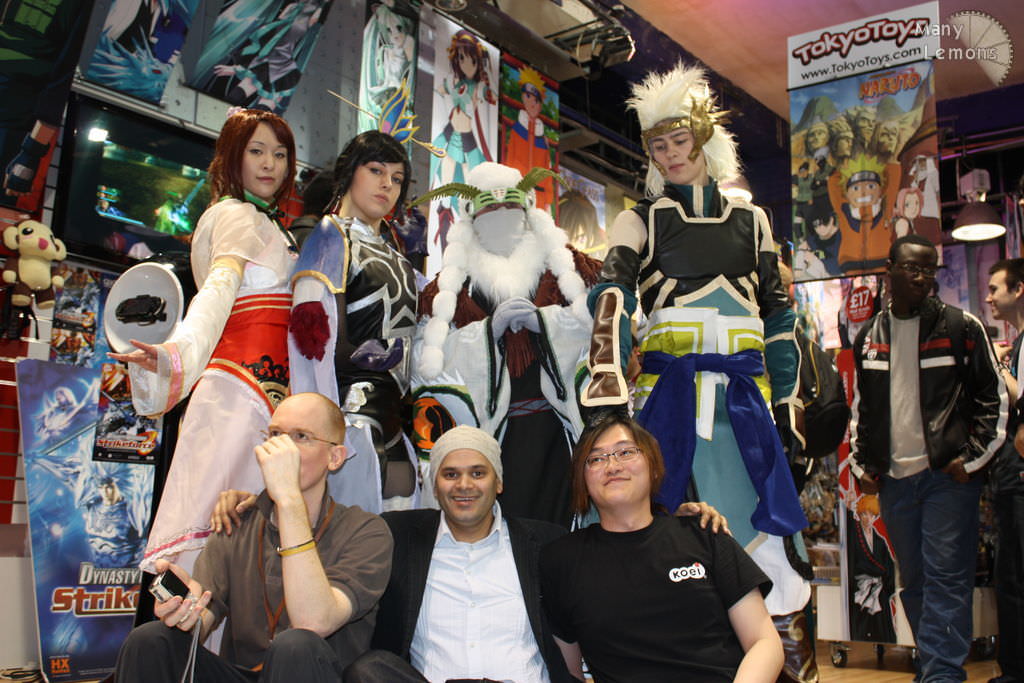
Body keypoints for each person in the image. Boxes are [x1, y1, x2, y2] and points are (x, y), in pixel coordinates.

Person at [579, 63, 814, 679]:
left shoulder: (753, 221)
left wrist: (788, 402)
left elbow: (779, 314)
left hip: (745, 405)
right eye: (658, 145)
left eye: (679, 140)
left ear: (703, 138)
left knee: (770, 542)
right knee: (662, 536)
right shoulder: (639, 219)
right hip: (667, 404)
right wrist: (606, 378)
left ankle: (778, 665)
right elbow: (611, 296)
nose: (670, 154)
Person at [111, 109, 299, 572]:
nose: (269, 164)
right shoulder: (238, 215)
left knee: (245, 536)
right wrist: (177, 352)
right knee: (219, 534)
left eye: (279, 154)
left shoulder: (268, 224)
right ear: (233, 156)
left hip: (267, 393)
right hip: (240, 391)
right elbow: (218, 290)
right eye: (256, 151)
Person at [114, 392, 393, 681]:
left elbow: (314, 622)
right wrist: (185, 612)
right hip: (243, 675)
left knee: (295, 645)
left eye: (300, 436)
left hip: (313, 673)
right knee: (150, 639)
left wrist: (288, 500)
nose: (281, 449)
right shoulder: (239, 520)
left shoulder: (365, 531)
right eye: (275, 434)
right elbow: (202, 621)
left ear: (334, 457)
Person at [850, 234, 1008, 682]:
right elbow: (863, 410)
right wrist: (863, 466)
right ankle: (934, 665)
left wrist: (970, 460)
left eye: (929, 269)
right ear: (889, 270)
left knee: (946, 578)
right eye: (912, 268)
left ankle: (942, 674)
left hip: (946, 478)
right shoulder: (869, 335)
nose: (921, 277)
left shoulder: (961, 327)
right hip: (895, 479)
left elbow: (993, 398)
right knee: (914, 582)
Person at [411, 162, 600, 526]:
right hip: (490, 436)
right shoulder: (447, 293)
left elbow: (603, 337)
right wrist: (486, 334)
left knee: (563, 525)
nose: (501, 215)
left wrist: (547, 323)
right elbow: (427, 371)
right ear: (471, 216)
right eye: (490, 208)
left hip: (558, 431)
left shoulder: (571, 272)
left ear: (527, 208)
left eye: (510, 205)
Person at [540, 415, 782, 681]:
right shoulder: (562, 561)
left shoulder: (705, 534)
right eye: (596, 459)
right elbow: (568, 672)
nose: (612, 466)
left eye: (625, 452)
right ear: (583, 480)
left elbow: (764, 642)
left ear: (653, 466)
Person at [289, 130, 419, 513]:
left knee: (399, 528)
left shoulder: (396, 253)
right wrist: (359, 355)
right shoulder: (330, 236)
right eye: (376, 170)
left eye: (397, 178)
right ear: (349, 171)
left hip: (396, 419)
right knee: (348, 531)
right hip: (350, 417)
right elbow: (311, 338)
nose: (387, 184)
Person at [985, 258, 1024, 683]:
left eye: (996, 288)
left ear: (1019, 289)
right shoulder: (1019, 342)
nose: (989, 296)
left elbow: (1021, 398)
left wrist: (997, 367)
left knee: (1013, 577)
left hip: (1018, 477)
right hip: (1011, 474)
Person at [502, 66, 556, 211]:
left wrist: (548, 200)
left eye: (536, 100)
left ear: (540, 105)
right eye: (528, 97)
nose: (532, 104)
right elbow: (510, 158)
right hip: (518, 191)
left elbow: (547, 171)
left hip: (539, 197)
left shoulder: (542, 139)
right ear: (523, 98)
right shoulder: (517, 130)